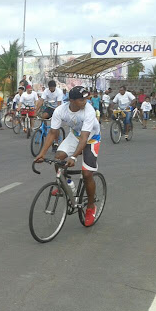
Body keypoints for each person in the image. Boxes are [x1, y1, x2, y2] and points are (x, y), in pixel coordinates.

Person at [34, 86, 101, 227]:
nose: (86, 101)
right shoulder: (60, 110)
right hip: (75, 136)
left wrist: (74, 157)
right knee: (58, 159)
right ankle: (67, 183)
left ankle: (90, 206)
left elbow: (84, 138)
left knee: (87, 173)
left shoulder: (89, 111)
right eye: (82, 99)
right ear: (72, 100)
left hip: (91, 138)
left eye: (86, 98)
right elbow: (53, 133)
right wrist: (42, 153)